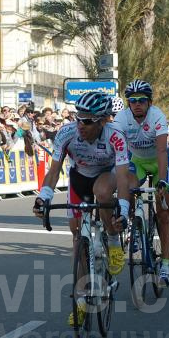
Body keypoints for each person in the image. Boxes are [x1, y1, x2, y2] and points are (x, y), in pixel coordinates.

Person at [33, 91, 130, 326]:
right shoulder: (67, 133)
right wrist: (43, 197)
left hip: (107, 175)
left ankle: (114, 241)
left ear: (103, 120)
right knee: (77, 238)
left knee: (103, 192)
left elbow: (125, 178)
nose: (81, 125)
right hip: (79, 177)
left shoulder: (115, 136)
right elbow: (54, 169)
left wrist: (124, 212)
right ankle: (82, 302)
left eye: (87, 120)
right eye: (78, 118)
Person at [113, 79, 169, 287]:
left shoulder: (157, 117)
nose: (137, 104)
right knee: (128, 189)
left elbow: (160, 151)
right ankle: (134, 225)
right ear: (128, 103)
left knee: (164, 213)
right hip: (136, 161)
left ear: (149, 102)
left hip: (158, 162)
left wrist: (163, 182)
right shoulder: (122, 118)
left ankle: (165, 265)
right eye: (132, 100)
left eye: (141, 100)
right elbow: (118, 150)